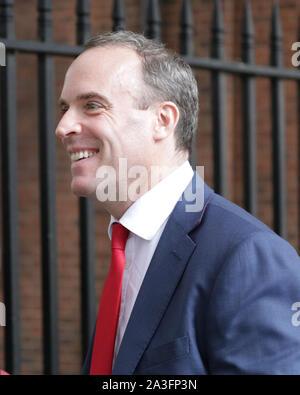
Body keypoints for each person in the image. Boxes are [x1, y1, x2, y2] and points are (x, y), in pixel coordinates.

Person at [55, 30, 300, 375]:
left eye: (92, 105)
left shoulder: (249, 256)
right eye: (65, 108)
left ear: (163, 121)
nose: (63, 126)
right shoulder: (126, 246)